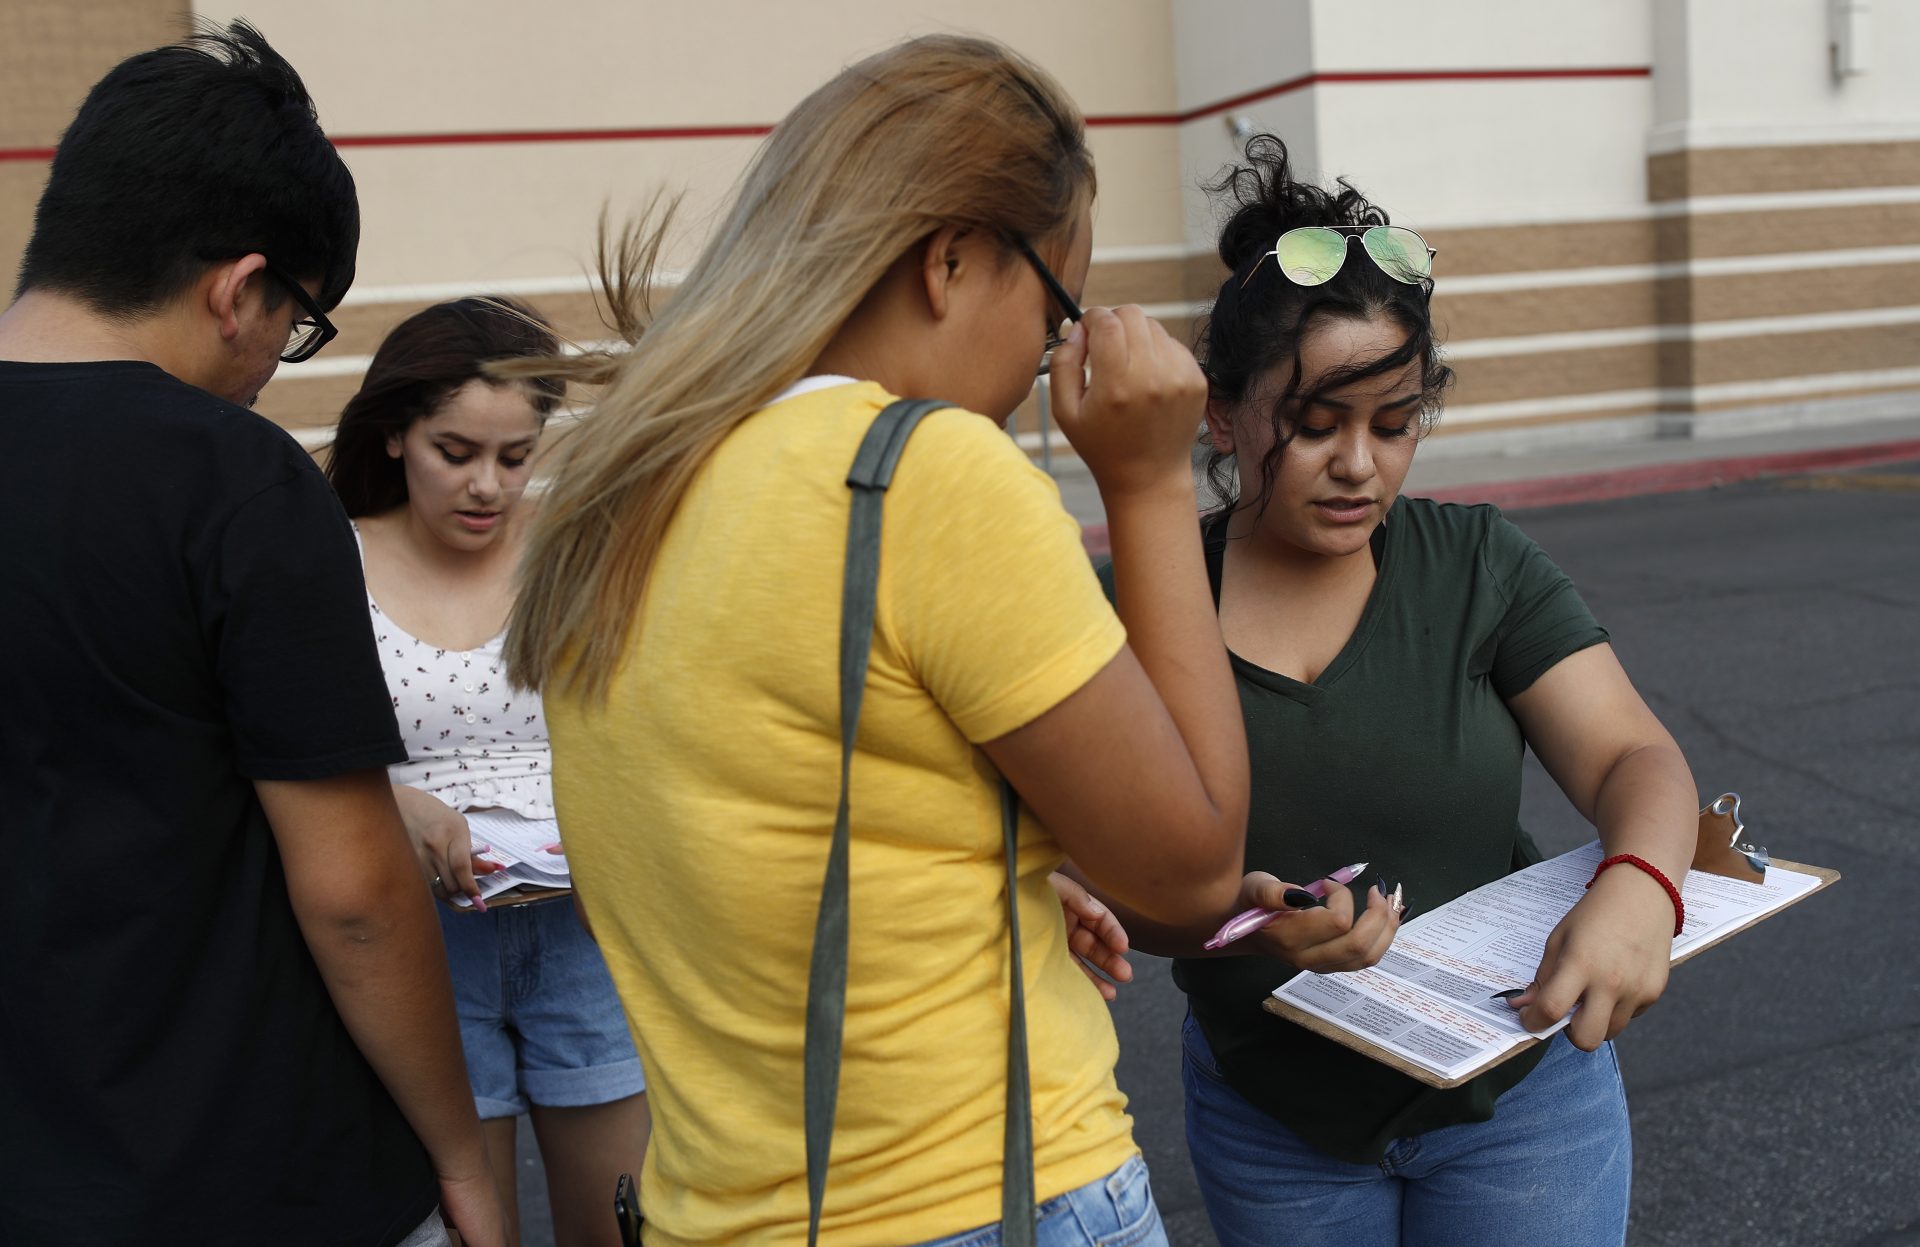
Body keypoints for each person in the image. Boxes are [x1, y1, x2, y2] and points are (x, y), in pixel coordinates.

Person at [502, 34, 1254, 1247]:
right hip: (981, 1196)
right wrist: (1154, 483)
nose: (1045, 365)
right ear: (951, 257)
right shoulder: (922, 473)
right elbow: (1190, 876)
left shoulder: (628, 484)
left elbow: (753, 821)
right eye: (1056, 309)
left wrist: (992, 866)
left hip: (723, 1212)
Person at [1090, 136, 1700, 1247]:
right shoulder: (1140, 595)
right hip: (1276, 1118)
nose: (1360, 464)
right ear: (1221, 417)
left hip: (1521, 1097)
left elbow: (1631, 759)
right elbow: (1091, 889)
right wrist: (1237, 925)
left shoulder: (1478, 565)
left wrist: (1642, 884)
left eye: (1396, 422)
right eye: (1316, 424)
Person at [0, 24, 504, 1247]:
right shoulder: (237, 484)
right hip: (254, 1173)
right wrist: (463, 1154)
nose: (279, 361)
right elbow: (354, 894)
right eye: (298, 324)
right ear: (239, 288)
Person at [325, 296, 650, 1247]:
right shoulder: (327, 558)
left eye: (515, 456)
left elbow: (638, 728)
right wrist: (396, 802)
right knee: (472, 1228)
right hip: (414, 941)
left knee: (626, 1225)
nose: (488, 487)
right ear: (394, 435)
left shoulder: (572, 549)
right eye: (455, 452)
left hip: (583, 927)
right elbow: (290, 758)